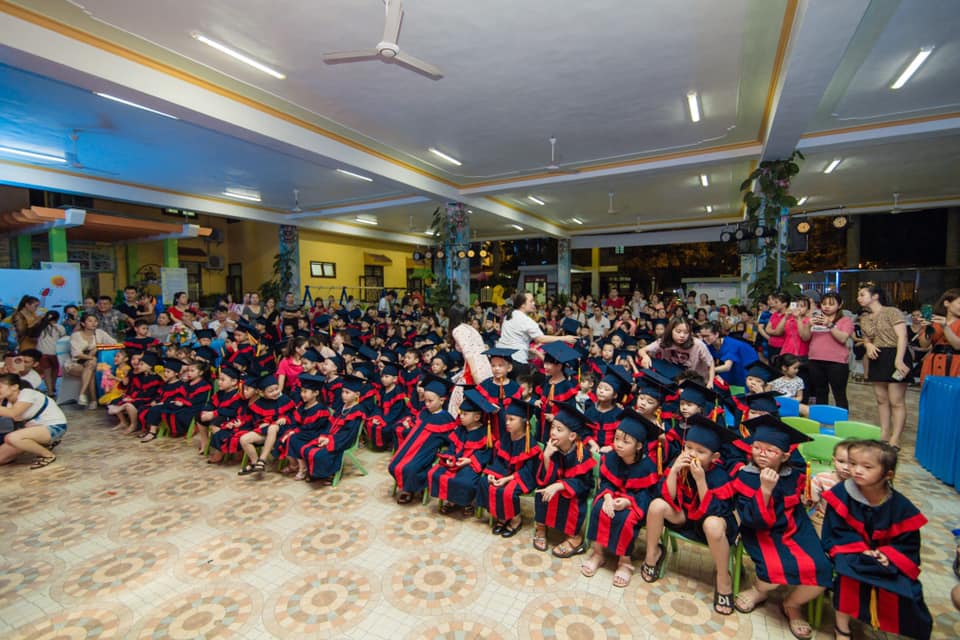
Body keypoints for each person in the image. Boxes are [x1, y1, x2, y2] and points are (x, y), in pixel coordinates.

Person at [733, 416, 832, 640]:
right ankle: (758, 591)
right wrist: (765, 490)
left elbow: (799, 507)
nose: (761, 454)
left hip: (794, 528)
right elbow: (751, 520)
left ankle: (792, 604)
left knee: (822, 569)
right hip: (760, 531)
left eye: (770, 450)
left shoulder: (794, 476)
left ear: (785, 456)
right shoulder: (746, 475)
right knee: (773, 572)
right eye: (757, 448)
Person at [821, 441, 932, 640]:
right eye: (853, 464)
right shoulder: (841, 494)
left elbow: (908, 543)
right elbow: (835, 530)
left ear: (888, 475)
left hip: (886, 557)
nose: (857, 470)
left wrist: (887, 555)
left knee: (909, 589)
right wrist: (860, 549)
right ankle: (842, 628)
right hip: (850, 551)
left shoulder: (900, 506)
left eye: (867, 467)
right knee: (847, 578)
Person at [640, 415, 739, 615]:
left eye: (701, 451)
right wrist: (674, 471)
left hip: (711, 525)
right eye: (689, 447)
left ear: (715, 457)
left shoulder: (719, 476)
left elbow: (715, 511)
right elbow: (667, 497)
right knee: (656, 506)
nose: (692, 454)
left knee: (712, 525)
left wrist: (700, 480)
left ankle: (723, 578)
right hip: (685, 517)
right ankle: (652, 554)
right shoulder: (680, 464)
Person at [581, 409, 661, 587]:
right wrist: (608, 497)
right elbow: (606, 482)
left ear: (639, 446)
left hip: (634, 503)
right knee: (599, 508)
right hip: (613, 496)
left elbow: (648, 495)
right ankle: (598, 553)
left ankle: (625, 562)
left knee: (626, 518)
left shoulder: (647, 466)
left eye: (626, 441)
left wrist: (628, 502)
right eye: (616, 439)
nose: (618, 445)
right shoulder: (611, 457)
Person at [532, 402, 597, 556]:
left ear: (572, 436)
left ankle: (574, 538)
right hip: (556, 485)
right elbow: (546, 478)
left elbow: (584, 484)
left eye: (559, 430)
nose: (553, 432)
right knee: (542, 492)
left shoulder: (581, 454)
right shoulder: (552, 448)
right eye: (553, 427)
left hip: (575, 492)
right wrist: (546, 457)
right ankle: (541, 527)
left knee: (569, 500)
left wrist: (560, 486)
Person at [389, 373, 457, 504]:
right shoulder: (424, 412)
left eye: (431, 401)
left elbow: (452, 439)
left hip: (426, 451)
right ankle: (407, 486)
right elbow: (416, 425)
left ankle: (409, 490)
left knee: (410, 468)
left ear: (442, 400)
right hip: (411, 448)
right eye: (425, 400)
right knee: (394, 464)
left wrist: (447, 453)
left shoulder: (445, 419)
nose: (427, 404)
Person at [427, 388, 497, 514]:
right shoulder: (460, 429)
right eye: (460, 413)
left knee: (465, 482)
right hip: (456, 461)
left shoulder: (484, 433)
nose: (461, 417)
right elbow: (452, 447)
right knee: (435, 473)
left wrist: (470, 460)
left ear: (477, 417)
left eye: (465, 414)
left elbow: (486, 454)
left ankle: (466, 503)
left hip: (471, 465)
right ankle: (451, 501)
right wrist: (449, 457)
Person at [857, 284, 911, 448]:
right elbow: (867, 338)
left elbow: (902, 336)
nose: (859, 298)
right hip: (877, 356)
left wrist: (899, 360)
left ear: (875, 296)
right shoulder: (864, 318)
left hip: (895, 354)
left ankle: (896, 438)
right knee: (881, 399)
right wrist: (868, 345)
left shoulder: (892, 312)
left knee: (896, 400)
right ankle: (884, 434)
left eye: (862, 294)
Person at [495, 292, 576, 378]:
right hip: (517, 360)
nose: (534, 303)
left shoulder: (509, 315)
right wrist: (564, 338)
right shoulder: (525, 320)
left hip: (502, 358)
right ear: (522, 305)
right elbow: (540, 339)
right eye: (531, 301)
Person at [0, 373, 68, 468]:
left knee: (11, 438)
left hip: (54, 427)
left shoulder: (27, 393)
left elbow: (14, 413)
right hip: (32, 430)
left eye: (0, 387)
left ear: (14, 387)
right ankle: (43, 444)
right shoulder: (6, 402)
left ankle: (48, 455)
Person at [799, 290, 854, 408]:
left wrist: (829, 324)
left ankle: (841, 419)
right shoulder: (815, 319)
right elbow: (805, 337)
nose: (827, 307)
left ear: (840, 305)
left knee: (839, 394)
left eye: (831, 304)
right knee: (820, 392)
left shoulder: (845, 320)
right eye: (824, 304)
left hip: (837, 362)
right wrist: (808, 325)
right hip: (815, 360)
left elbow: (843, 338)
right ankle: (821, 417)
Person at [639, 317, 715, 385]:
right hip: (672, 377)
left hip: (694, 381)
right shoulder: (663, 341)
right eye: (678, 331)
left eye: (686, 332)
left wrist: (710, 382)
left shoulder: (698, 344)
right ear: (671, 330)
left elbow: (711, 363)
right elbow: (642, 350)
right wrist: (645, 356)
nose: (682, 335)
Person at [66, 312, 115, 409]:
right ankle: (93, 400)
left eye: (95, 321)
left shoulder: (100, 333)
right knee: (91, 368)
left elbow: (114, 343)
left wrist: (98, 347)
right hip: (76, 363)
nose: (93, 323)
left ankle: (82, 395)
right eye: (90, 321)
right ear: (83, 323)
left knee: (90, 367)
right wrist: (91, 357)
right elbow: (76, 354)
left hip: (91, 364)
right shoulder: (76, 335)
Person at [806, 439, 852, 533]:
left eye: (852, 463)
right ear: (834, 461)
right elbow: (810, 498)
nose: (846, 467)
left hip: (847, 523)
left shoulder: (860, 484)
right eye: (841, 461)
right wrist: (810, 497)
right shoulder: (822, 478)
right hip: (822, 518)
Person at [917, 288, 960, 383]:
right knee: (932, 390)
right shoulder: (934, 322)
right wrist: (928, 328)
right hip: (933, 363)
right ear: (946, 303)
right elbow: (924, 345)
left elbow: (957, 345)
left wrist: (945, 327)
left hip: (956, 365)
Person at [699, 321, 757, 387]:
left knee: (741, 385)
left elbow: (727, 367)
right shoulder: (708, 344)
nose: (704, 339)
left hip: (747, 363)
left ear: (716, 334)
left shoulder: (730, 344)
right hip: (732, 365)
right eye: (702, 336)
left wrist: (709, 371)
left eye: (707, 336)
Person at [35, 311, 65, 396]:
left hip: (42, 352)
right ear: (57, 318)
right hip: (55, 352)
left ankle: (50, 391)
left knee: (46, 372)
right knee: (55, 370)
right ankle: (53, 386)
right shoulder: (60, 327)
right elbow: (63, 339)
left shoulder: (41, 327)